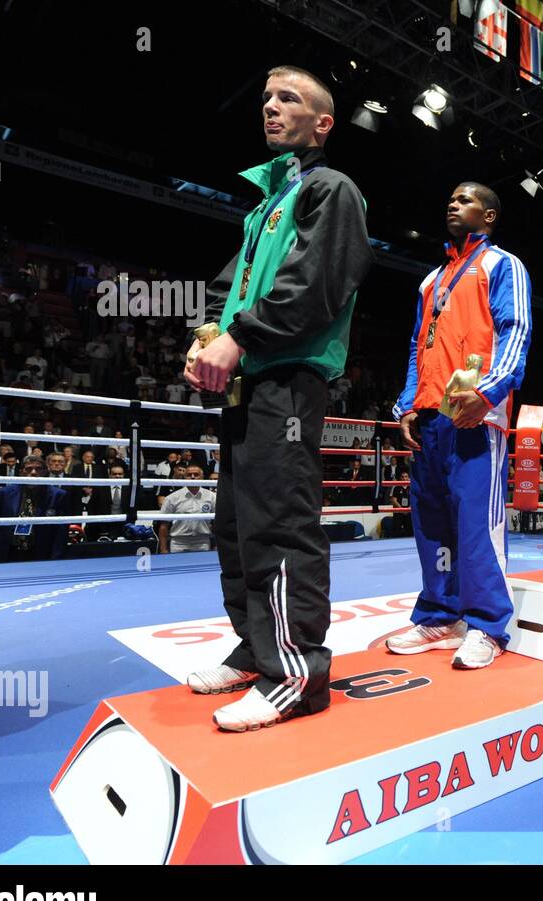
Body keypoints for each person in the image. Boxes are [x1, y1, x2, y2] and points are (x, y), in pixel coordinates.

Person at [181, 65, 375, 730]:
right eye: (265, 97)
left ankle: (295, 671)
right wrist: (205, 337)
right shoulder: (264, 205)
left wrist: (238, 338)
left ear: (322, 122)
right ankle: (255, 648)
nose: (270, 106)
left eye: (288, 98)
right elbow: (226, 287)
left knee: (281, 523)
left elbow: (316, 286)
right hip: (246, 380)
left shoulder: (332, 190)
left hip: (288, 378)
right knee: (235, 526)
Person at [387, 181, 532, 670]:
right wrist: (407, 403)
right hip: (431, 417)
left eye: (466, 199)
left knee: (476, 524)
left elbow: (516, 331)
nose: (453, 203)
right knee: (432, 524)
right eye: (450, 197)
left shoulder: (502, 264)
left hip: (475, 416)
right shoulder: (431, 280)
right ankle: (440, 615)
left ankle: (488, 625)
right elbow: (417, 346)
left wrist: (489, 392)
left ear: (489, 216)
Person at [0, 455, 69, 563]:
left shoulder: (58, 495)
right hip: (8, 551)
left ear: (44, 472)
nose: (33, 472)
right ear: (21, 472)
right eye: (28, 469)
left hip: (41, 554)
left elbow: (61, 532)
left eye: (38, 469)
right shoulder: (3, 493)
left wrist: (56, 558)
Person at [158, 465, 217, 553]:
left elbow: (217, 523)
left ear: (202, 477)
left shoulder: (212, 497)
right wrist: (163, 549)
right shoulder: (172, 498)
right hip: (178, 543)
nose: (192, 477)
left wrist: (217, 545)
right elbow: (164, 525)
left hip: (202, 542)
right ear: (184, 477)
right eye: (189, 475)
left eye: (196, 474)